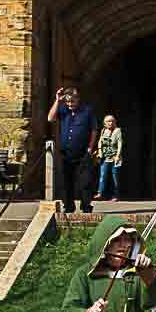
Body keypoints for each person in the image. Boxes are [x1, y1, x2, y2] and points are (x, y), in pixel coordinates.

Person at [48, 83, 99, 216]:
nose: (70, 104)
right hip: (66, 153)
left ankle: (86, 205)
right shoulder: (63, 110)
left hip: (83, 152)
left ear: (78, 98)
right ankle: (69, 206)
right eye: (68, 101)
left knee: (85, 181)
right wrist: (57, 101)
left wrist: (90, 147)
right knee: (67, 181)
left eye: (72, 101)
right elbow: (50, 118)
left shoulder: (87, 111)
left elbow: (94, 129)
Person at [96, 116, 125, 201]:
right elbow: (100, 142)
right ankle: (100, 193)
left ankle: (116, 195)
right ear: (105, 123)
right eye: (108, 121)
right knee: (103, 175)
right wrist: (100, 151)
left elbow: (120, 144)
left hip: (114, 157)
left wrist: (118, 156)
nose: (110, 123)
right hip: (105, 157)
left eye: (112, 121)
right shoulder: (103, 131)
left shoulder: (117, 131)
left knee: (115, 177)